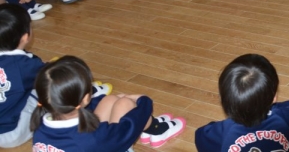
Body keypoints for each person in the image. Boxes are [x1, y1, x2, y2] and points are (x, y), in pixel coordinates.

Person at [31, 55, 186, 151]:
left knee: (110, 100)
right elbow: (130, 127)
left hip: (94, 145)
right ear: (85, 98)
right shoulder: (92, 138)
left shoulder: (39, 127)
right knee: (125, 104)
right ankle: (157, 130)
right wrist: (143, 101)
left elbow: (91, 107)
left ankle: (152, 129)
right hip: (104, 144)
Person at [195, 54, 289, 152]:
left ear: (222, 99)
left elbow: (200, 137)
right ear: (274, 97)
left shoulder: (220, 132)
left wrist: (213, 126)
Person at [0, 4, 44, 147]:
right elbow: (49, 77)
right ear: (25, 37)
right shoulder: (25, 65)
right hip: (10, 134)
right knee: (43, 91)